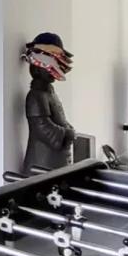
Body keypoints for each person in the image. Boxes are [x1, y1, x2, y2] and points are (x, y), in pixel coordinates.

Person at [21, 33, 75, 171]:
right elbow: (41, 127)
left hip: (55, 160)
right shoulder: (35, 96)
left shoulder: (50, 93)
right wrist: (66, 134)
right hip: (42, 162)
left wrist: (69, 128)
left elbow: (59, 119)